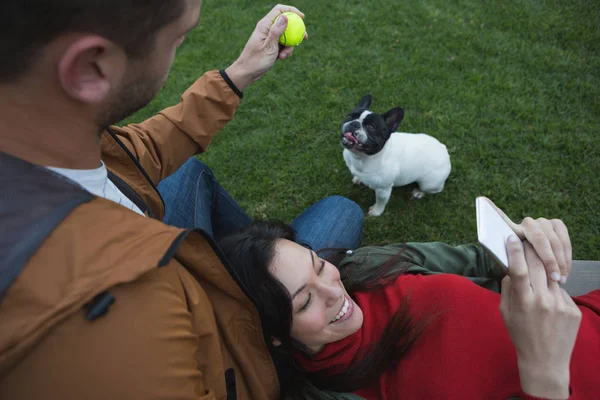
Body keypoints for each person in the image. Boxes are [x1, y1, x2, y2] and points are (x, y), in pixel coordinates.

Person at [0, 1, 364, 399]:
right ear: (91, 66)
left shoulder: (47, 139)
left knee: (186, 174)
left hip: (191, 285)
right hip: (237, 357)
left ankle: (271, 274)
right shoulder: (121, 323)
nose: (178, 49)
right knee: (341, 212)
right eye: (178, 39)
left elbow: (136, 154)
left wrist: (238, 75)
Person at [218, 199, 600, 400]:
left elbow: (484, 258)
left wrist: (527, 242)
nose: (335, 292)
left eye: (319, 266)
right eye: (305, 302)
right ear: (276, 336)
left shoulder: (371, 266)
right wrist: (545, 375)